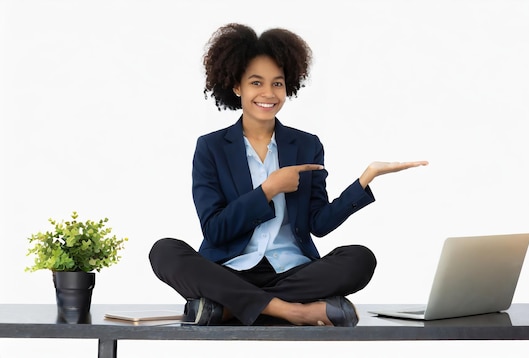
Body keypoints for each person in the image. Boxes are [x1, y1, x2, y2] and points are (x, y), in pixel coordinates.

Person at [148, 23, 428, 327]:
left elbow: (317, 225)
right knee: (165, 251)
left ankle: (229, 307)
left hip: (293, 271)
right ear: (237, 86)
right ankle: (291, 310)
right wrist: (267, 190)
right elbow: (215, 231)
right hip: (230, 268)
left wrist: (365, 180)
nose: (268, 94)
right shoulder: (211, 148)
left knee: (360, 258)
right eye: (256, 83)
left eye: (277, 84)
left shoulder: (306, 144)